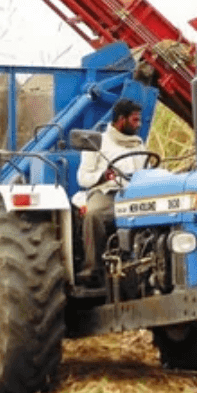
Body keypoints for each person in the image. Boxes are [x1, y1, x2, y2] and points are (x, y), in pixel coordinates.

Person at [76, 98, 148, 281]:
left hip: (135, 194)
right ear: (121, 120)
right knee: (93, 215)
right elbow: (83, 178)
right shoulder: (98, 142)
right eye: (135, 120)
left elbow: (146, 171)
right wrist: (103, 176)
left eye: (139, 120)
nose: (139, 125)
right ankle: (93, 269)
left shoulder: (138, 143)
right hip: (107, 194)